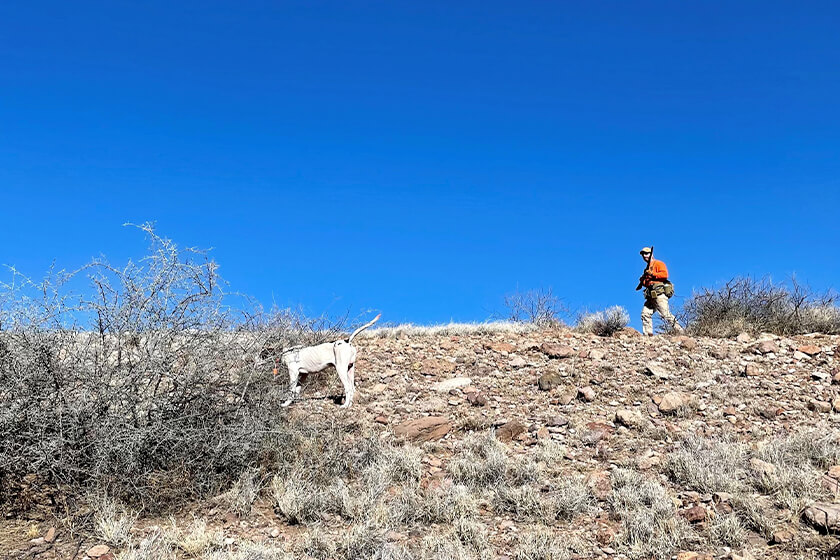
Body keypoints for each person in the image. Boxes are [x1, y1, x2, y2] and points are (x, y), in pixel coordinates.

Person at [637, 247, 683, 336]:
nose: (644, 256)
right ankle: (648, 335)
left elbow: (665, 275)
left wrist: (652, 274)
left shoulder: (658, 263)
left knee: (665, 315)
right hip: (650, 295)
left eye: (646, 253)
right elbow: (647, 283)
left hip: (659, 294)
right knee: (645, 314)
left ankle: (681, 332)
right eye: (643, 254)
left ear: (651, 254)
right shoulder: (647, 268)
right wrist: (643, 280)